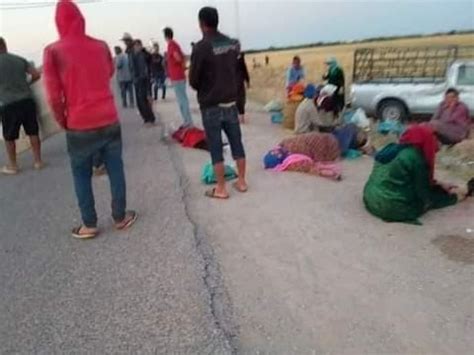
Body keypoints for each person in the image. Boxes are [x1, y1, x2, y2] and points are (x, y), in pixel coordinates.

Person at [43, 0, 137, 239]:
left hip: (78, 122)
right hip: (108, 117)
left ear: (58, 22)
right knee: (115, 168)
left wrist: (63, 120)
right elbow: (108, 71)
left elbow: (53, 96)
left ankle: (89, 223)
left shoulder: (53, 51)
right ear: (81, 19)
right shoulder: (100, 45)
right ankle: (120, 216)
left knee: (81, 174)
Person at [190, 6, 248, 199]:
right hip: (231, 103)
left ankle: (221, 188)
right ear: (216, 21)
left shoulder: (201, 47)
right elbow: (238, 72)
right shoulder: (232, 44)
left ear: (201, 24)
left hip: (211, 106)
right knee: (237, 143)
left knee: (216, 148)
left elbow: (193, 80)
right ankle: (241, 181)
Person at [363, 124, 471, 224]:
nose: (439, 147)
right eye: (438, 142)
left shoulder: (392, 147)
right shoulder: (416, 158)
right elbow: (424, 194)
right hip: (390, 207)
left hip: (370, 197)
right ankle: (459, 195)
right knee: (433, 197)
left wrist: (439, 183)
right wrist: (452, 197)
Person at [0, 37, 44, 175]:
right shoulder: (19, 59)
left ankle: (13, 165)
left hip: (8, 104)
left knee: (9, 136)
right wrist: (27, 84)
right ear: (4, 45)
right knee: (32, 131)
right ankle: (38, 161)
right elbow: (36, 75)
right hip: (27, 100)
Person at [163, 27, 194, 127]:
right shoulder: (175, 44)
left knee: (182, 100)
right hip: (178, 76)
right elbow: (183, 56)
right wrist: (183, 65)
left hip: (177, 77)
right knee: (182, 99)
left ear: (166, 36)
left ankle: (188, 122)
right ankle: (187, 121)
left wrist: (181, 64)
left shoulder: (171, 45)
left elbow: (178, 57)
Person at [130, 39, 156, 126]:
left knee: (143, 100)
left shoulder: (142, 55)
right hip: (137, 81)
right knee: (140, 102)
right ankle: (146, 118)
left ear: (140, 46)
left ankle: (150, 118)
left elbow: (145, 69)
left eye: (138, 45)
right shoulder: (133, 55)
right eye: (135, 46)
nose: (136, 47)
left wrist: (142, 78)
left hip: (143, 80)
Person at [236, 51, 250, 123]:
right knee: (240, 99)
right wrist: (247, 81)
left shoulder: (231, 57)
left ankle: (240, 117)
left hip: (236, 82)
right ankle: (241, 117)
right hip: (238, 81)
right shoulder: (240, 57)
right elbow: (245, 70)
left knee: (238, 99)